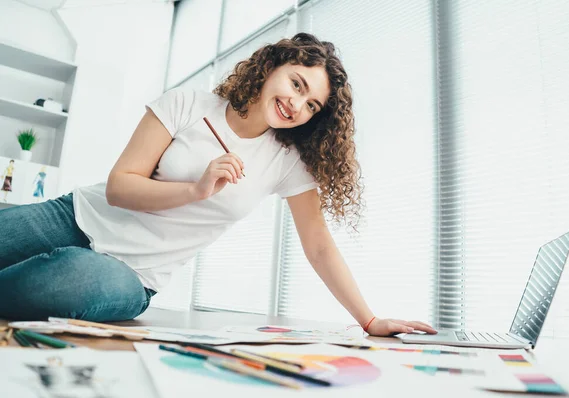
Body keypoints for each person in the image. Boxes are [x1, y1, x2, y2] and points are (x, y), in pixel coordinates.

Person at [0, 33, 436, 337]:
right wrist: (194, 190)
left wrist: (369, 319)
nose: (296, 104)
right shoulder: (186, 103)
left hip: (133, 275)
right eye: (296, 84)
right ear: (271, 66)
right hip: (74, 216)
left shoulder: (287, 163)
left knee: (66, 275)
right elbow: (119, 188)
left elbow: (319, 246)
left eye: (311, 105)